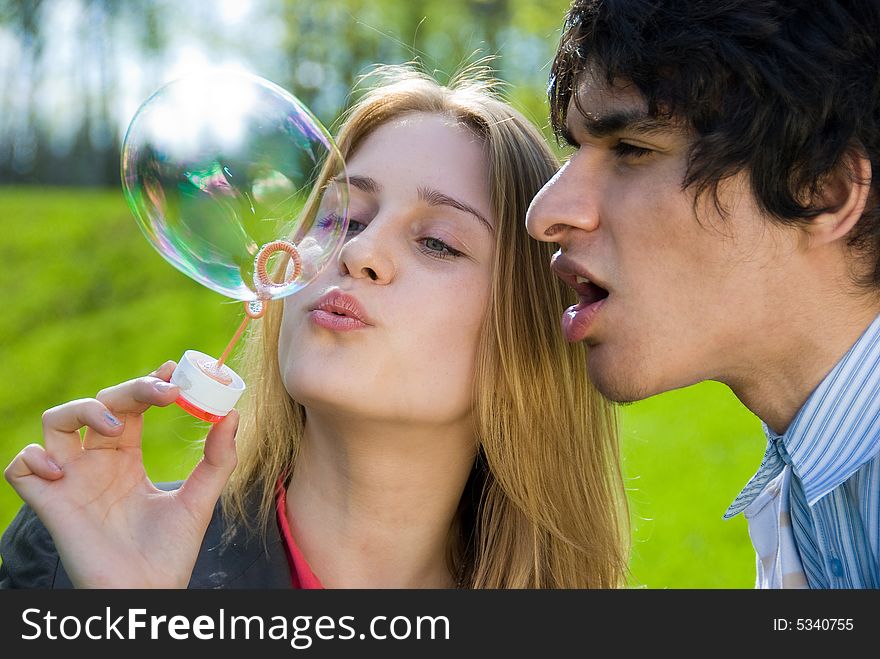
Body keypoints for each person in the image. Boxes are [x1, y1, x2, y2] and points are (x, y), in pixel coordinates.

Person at [0, 64, 628, 589]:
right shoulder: (73, 554)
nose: (357, 253)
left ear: (524, 330)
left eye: (437, 242)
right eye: (345, 219)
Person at [527, 0, 880, 588]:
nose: (545, 215)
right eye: (574, 152)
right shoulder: (812, 488)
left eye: (632, 150)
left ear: (822, 191)